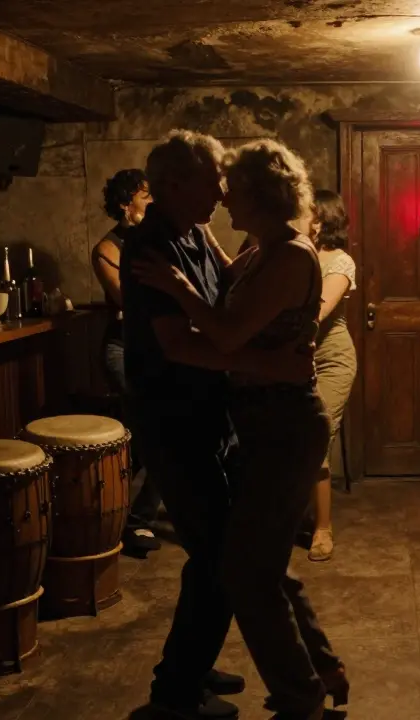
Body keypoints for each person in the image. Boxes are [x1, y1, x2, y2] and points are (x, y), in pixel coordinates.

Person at [133, 139, 348, 720]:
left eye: (231, 189)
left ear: (258, 194)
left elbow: (226, 334)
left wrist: (181, 287)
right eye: (215, 185)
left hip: (281, 423)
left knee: (246, 569)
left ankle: (299, 693)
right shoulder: (256, 249)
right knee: (251, 563)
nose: (223, 197)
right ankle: (315, 670)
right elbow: (231, 303)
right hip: (249, 422)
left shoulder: (288, 255)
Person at [91, 168, 163, 558]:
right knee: (159, 431)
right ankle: (135, 520)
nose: (153, 201)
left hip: (159, 348)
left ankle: (119, 512)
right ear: (125, 203)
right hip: (125, 349)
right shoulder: (108, 249)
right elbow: (130, 302)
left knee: (159, 436)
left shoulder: (156, 242)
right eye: (145, 195)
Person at [305, 189, 357, 562]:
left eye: (305, 212)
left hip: (331, 360)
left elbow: (317, 313)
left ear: (321, 219)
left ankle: (322, 528)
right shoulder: (292, 254)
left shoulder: (340, 261)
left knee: (317, 435)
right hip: (294, 360)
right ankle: (295, 514)